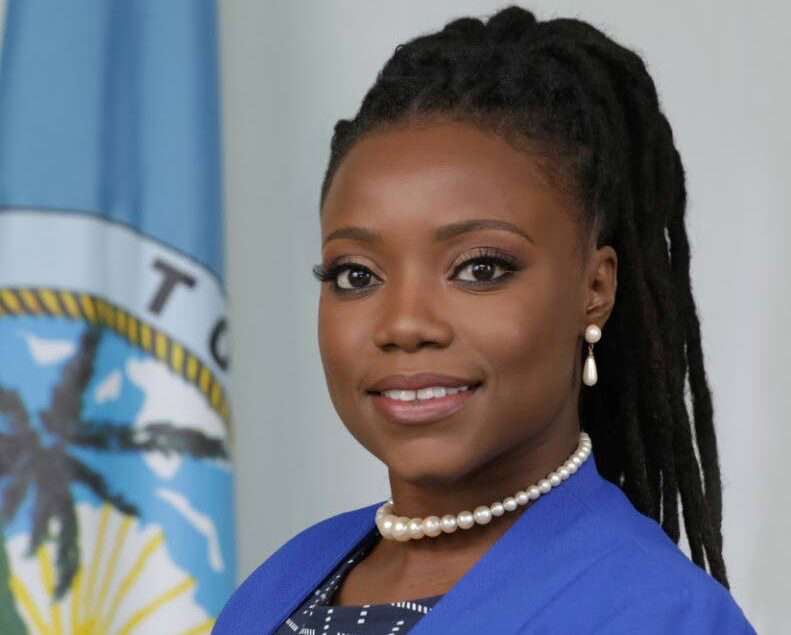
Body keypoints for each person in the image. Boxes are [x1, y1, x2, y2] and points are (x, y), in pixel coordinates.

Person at [213, 5, 757, 634]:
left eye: (480, 268)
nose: (404, 324)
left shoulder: (656, 615)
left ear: (595, 289)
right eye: (356, 275)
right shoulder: (278, 587)